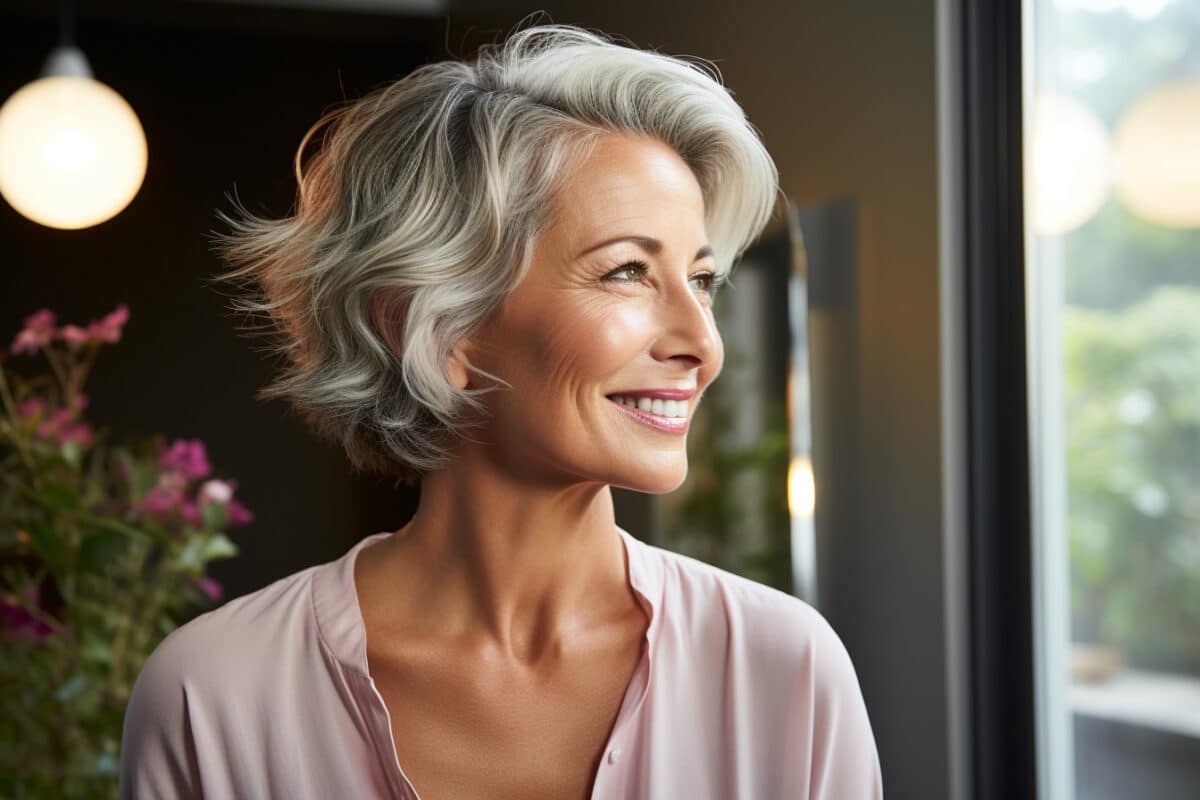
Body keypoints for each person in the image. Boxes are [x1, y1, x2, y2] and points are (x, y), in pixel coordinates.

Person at [118, 22, 883, 800]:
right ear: (434, 323)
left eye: (702, 278)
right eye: (627, 271)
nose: (702, 343)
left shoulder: (785, 672)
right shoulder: (212, 698)